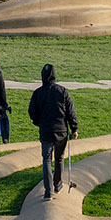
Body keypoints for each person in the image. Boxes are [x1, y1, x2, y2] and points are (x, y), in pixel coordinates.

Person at [27, 64, 78, 201]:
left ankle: (48, 191)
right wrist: (74, 128)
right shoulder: (62, 91)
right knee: (59, 158)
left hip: (46, 131)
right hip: (61, 131)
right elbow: (70, 112)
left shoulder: (37, 93)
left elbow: (32, 112)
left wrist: (38, 122)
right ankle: (57, 185)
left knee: (47, 160)